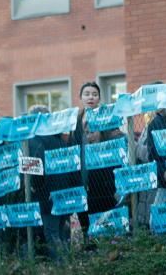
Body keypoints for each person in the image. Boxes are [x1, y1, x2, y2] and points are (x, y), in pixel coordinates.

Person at [72, 82, 124, 233]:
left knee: (105, 219)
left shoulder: (107, 117)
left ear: (99, 98)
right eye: (87, 94)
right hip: (83, 176)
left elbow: (116, 144)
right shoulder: (75, 121)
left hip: (103, 175)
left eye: (94, 94)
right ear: (81, 97)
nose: (90, 97)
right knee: (85, 221)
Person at [26, 105, 71, 258]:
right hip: (63, 191)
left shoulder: (34, 141)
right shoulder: (60, 139)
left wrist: (34, 187)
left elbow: (36, 170)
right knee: (61, 231)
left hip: (46, 194)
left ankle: (60, 266)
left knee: (51, 234)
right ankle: (68, 262)